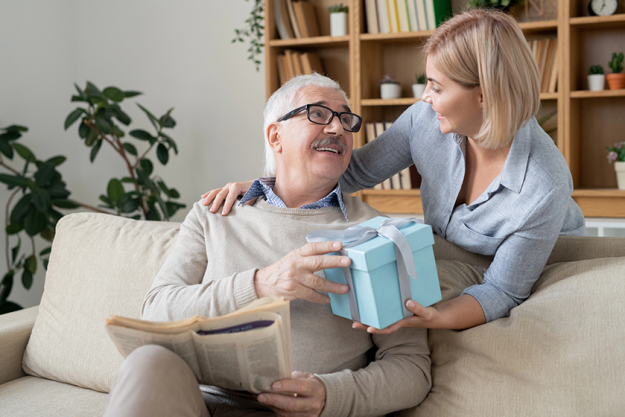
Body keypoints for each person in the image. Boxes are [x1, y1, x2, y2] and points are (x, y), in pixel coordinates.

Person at [200, 10, 586, 333]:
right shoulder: (424, 121)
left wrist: (436, 318)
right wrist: (261, 186)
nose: (424, 97)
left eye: (436, 87)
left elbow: (504, 290)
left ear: (483, 94)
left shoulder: (543, 186)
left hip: (537, 267)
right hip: (453, 257)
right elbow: (354, 172)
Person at [103, 73, 431, 417]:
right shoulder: (214, 213)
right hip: (198, 403)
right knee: (147, 361)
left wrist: (330, 395)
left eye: (345, 120)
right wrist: (261, 284)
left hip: (298, 411)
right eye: (318, 114)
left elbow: (411, 367)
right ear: (276, 135)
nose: (337, 129)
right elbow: (156, 311)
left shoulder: (380, 235)